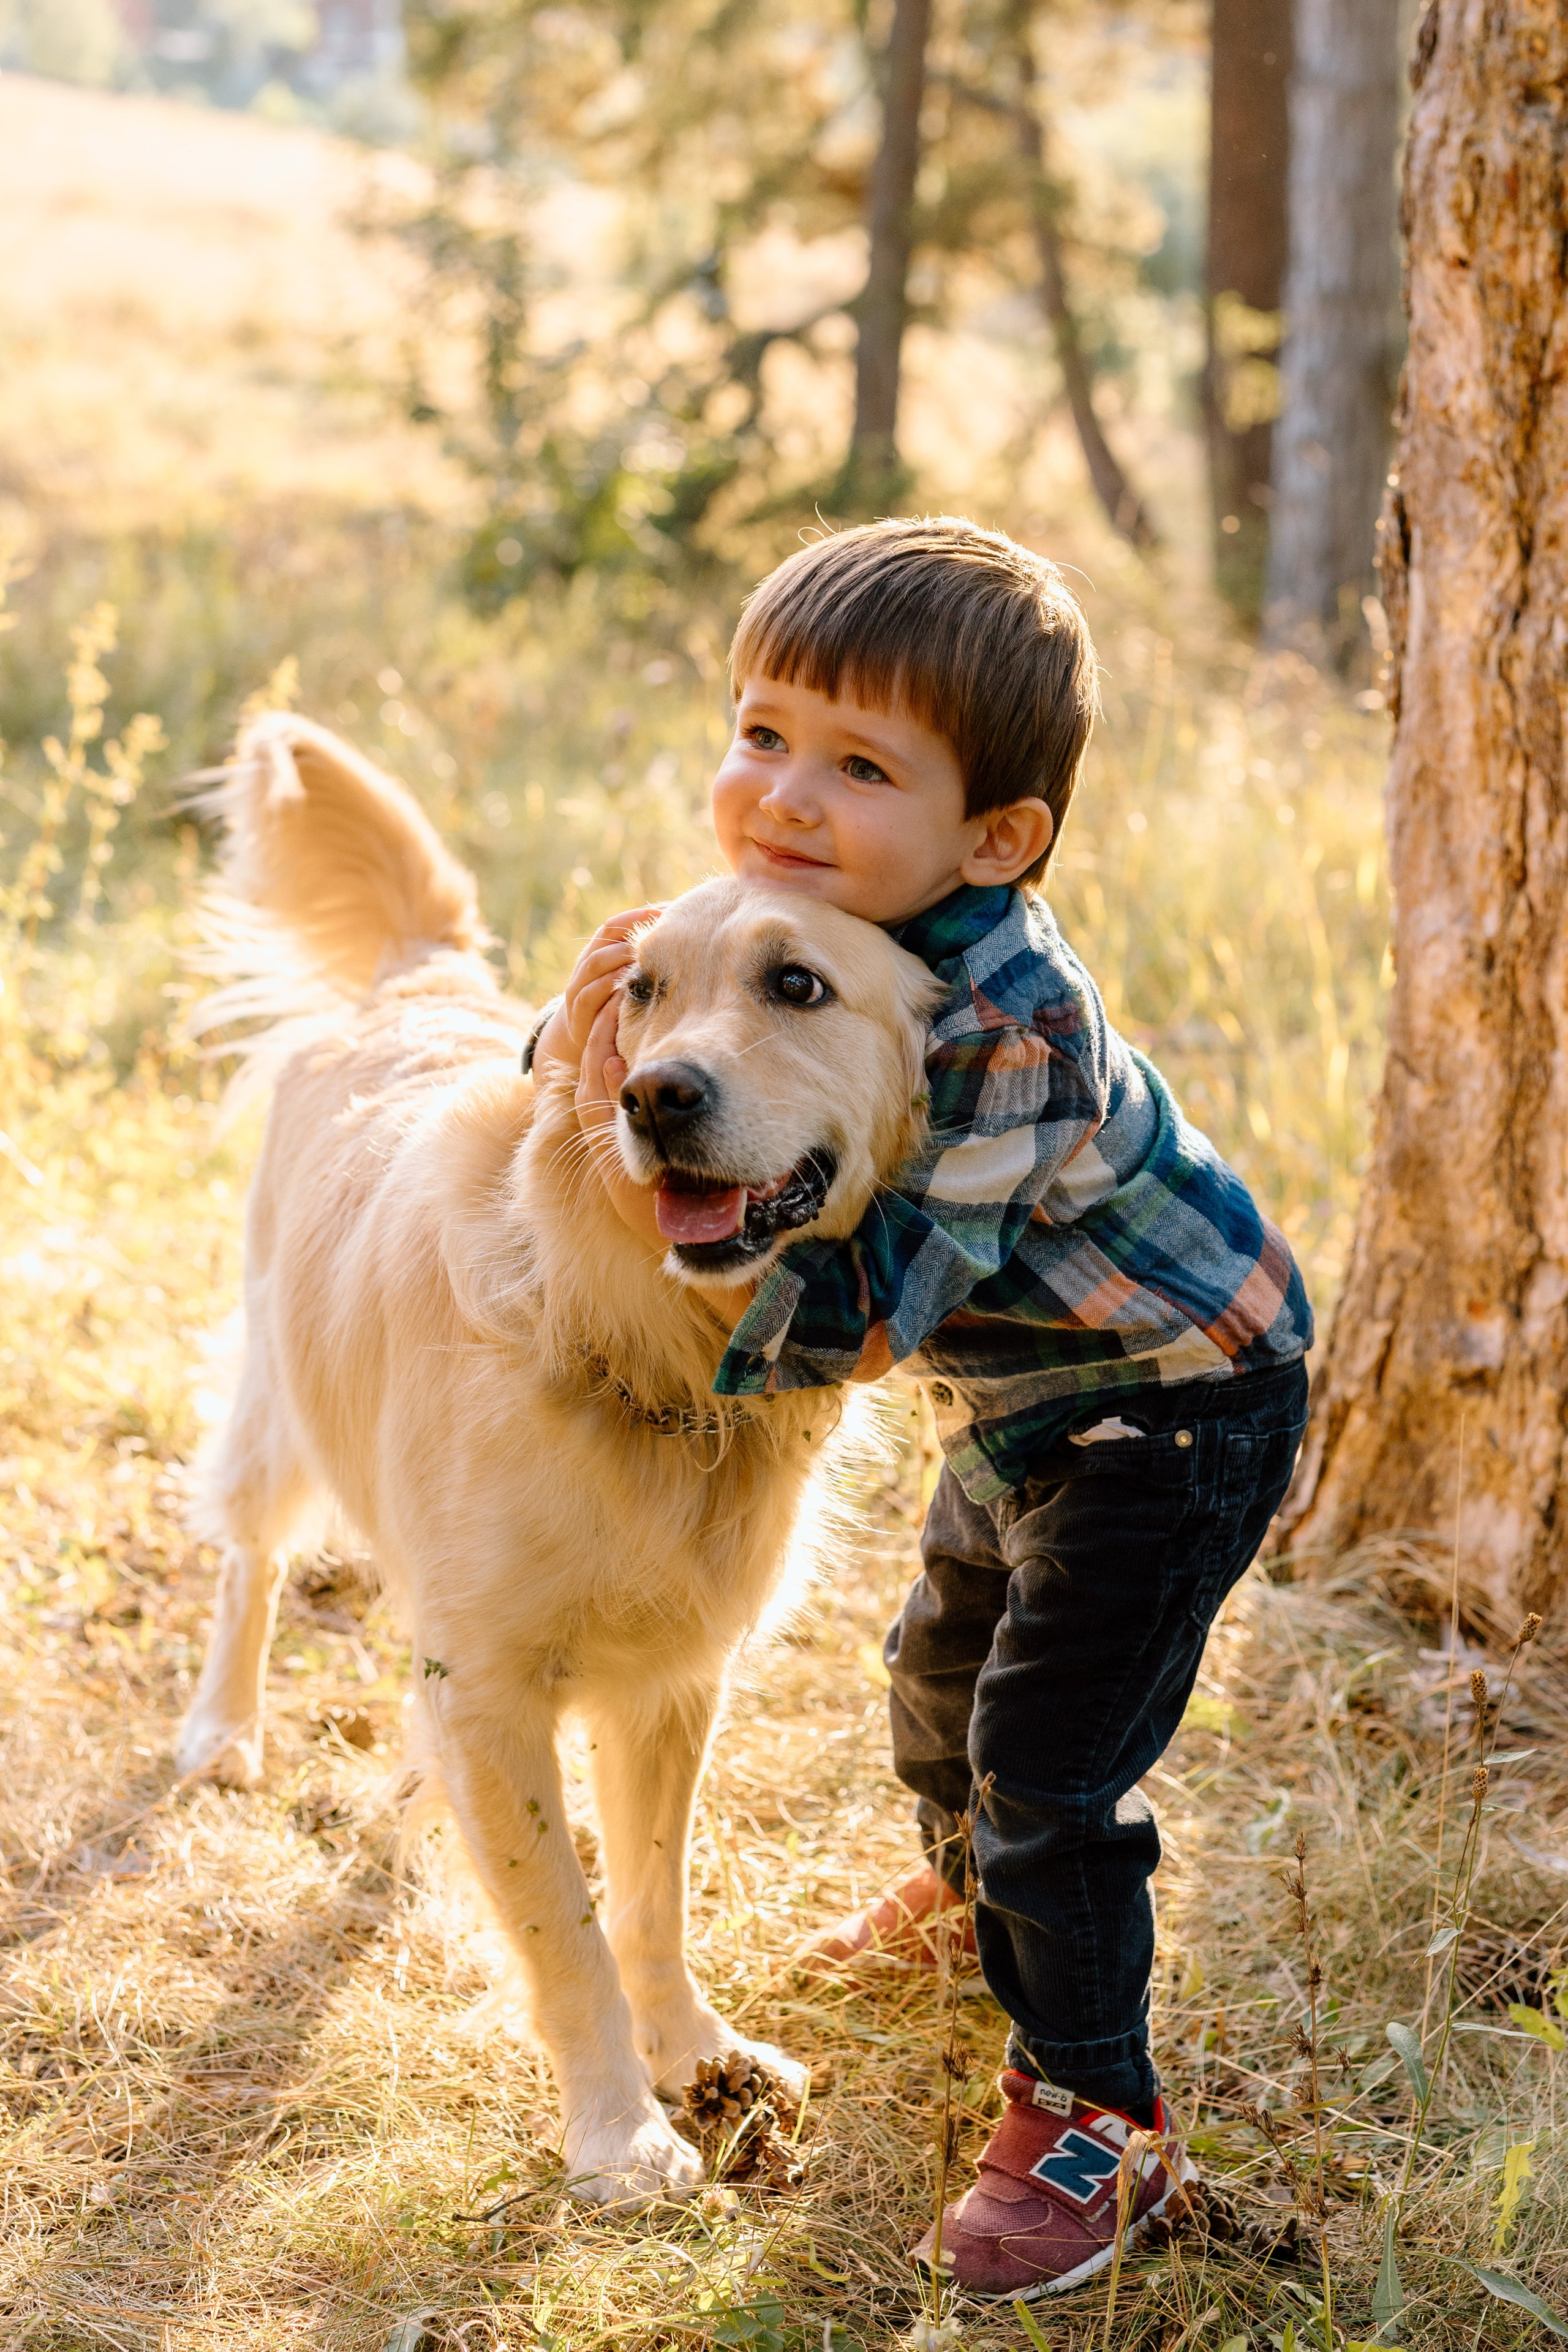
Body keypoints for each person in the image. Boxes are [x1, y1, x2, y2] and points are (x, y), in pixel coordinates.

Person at [529, 516, 1312, 2298]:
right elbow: (683, 1036)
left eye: (859, 765)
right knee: (936, 1678)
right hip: (1036, 1408)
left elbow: (873, 1307)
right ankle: (979, 1900)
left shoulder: (1014, 1022)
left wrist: (600, 1337)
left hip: (1181, 1409)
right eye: (761, 734)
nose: (785, 798)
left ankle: (1098, 2109)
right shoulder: (815, 918)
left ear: (994, 839)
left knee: (1048, 1761)